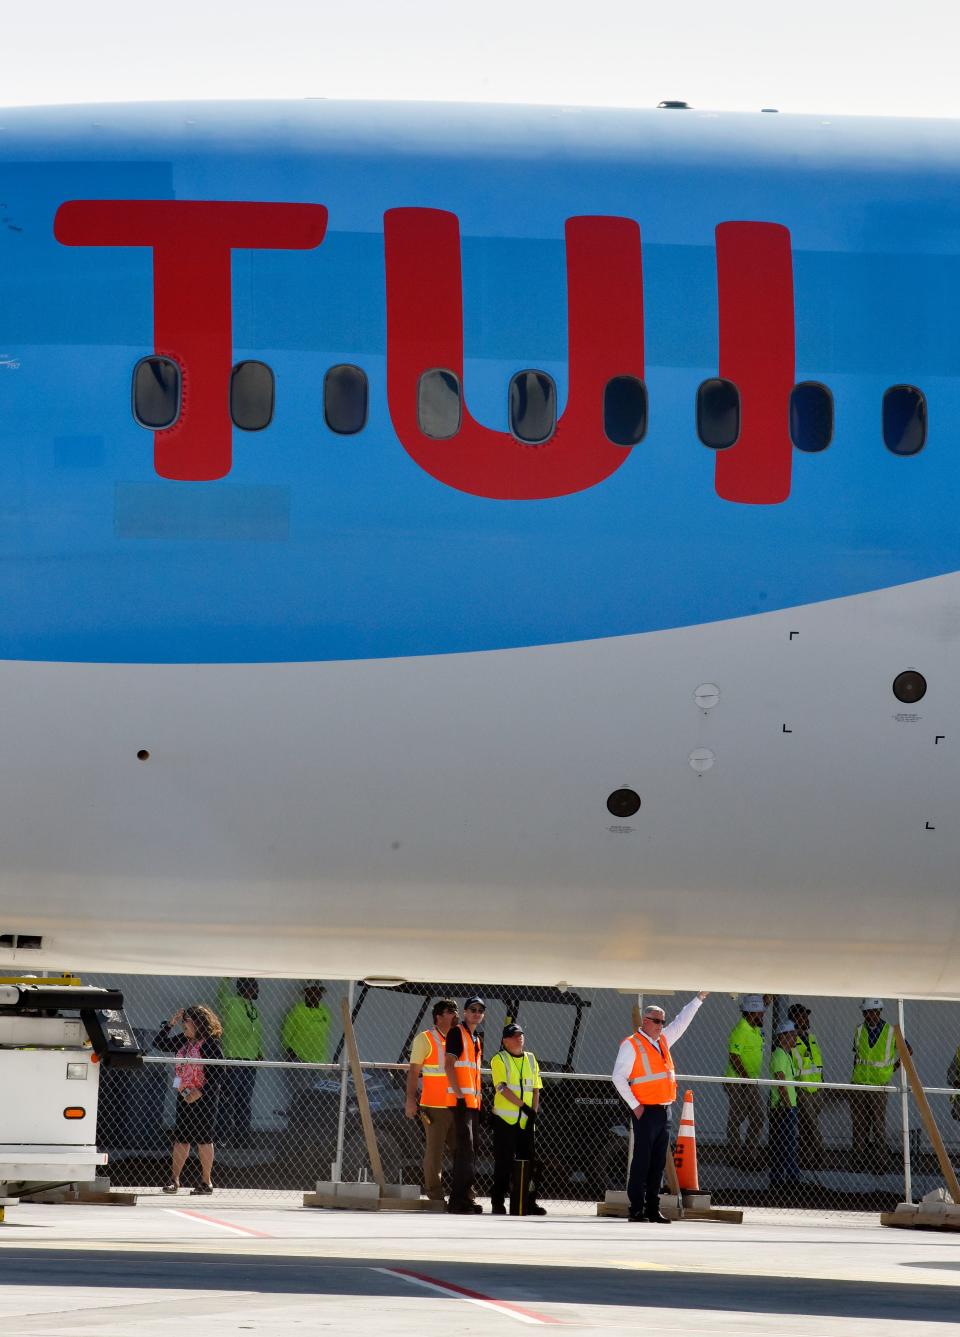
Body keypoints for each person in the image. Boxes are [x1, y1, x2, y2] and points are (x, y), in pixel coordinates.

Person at [612, 993, 709, 1223]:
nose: (660, 1026)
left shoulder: (662, 1041)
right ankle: (636, 1208)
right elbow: (618, 1077)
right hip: (645, 1111)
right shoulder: (632, 1044)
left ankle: (652, 1208)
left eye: (662, 1022)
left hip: (664, 1110)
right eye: (656, 1021)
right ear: (645, 1021)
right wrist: (635, 1107)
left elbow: (681, 1022)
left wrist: (698, 999)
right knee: (642, 1161)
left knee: (657, 1164)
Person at [154, 1005, 224, 1195]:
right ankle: (174, 1180)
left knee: (203, 1139)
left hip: (204, 1097)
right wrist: (171, 1023)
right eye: (183, 1021)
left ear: (198, 1023)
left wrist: (200, 1091)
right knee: (181, 1138)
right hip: (184, 1094)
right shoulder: (184, 1041)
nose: (184, 1025)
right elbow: (159, 1043)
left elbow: (219, 1074)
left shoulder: (210, 1044)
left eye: (187, 1021)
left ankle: (206, 1182)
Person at [404, 998, 459, 1203]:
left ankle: (462, 1194)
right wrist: (410, 1100)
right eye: (450, 1011)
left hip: (457, 1105)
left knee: (461, 1152)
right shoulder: (425, 1039)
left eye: (456, 1010)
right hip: (435, 1106)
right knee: (434, 1154)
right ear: (439, 1016)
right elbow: (413, 1072)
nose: (456, 1014)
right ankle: (435, 1195)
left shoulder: (460, 1037)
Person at [489, 1023, 545, 1216]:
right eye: (513, 1036)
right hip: (506, 1120)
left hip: (526, 1121)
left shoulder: (531, 1059)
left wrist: (533, 1113)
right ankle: (498, 1202)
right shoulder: (499, 1059)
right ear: (505, 1041)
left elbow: (536, 1087)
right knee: (503, 1163)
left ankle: (529, 1202)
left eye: (521, 1034)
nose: (518, 1038)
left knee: (529, 1163)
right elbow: (502, 1088)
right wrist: (523, 1107)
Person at [443, 995, 485, 1214]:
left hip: (472, 1104)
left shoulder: (475, 1038)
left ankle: (465, 1198)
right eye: (473, 1009)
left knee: (471, 1152)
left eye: (480, 1010)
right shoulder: (456, 1033)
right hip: (460, 1103)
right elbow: (448, 1066)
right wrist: (459, 1097)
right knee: (465, 1152)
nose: (476, 1013)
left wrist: (478, 1103)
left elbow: (473, 1073)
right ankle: (457, 1202)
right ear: (465, 1013)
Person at [850, 998, 898, 1170]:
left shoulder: (891, 1031)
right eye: (867, 1012)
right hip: (859, 1084)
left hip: (879, 1085)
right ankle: (858, 1160)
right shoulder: (859, 1030)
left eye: (873, 1012)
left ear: (879, 1012)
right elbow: (857, 1056)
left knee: (878, 1124)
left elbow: (908, 1051)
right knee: (859, 1124)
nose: (870, 1015)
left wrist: (891, 1069)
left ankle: (881, 1161)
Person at [217, 978, 264, 1142]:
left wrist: (259, 1051)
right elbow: (221, 995)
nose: (257, 988)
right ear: (244, 987)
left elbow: (256, 1033)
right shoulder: (230, 1003)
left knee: (244, 1100)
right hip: (232, 1058)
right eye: (254, 985)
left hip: (249, 1061)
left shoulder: (253, 1008)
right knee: (227, 1099)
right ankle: (221, 1136)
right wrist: (227, 977)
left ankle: (242, 1137)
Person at [724, 995, 767, 1163]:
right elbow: (734, 1057)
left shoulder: (754, 1027)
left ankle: (749, 1155)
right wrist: (746, 1079)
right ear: (750, 1013)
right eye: (760, 1014)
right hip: (737, 1081)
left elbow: (765, 1004)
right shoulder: (740, 1030)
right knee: (737, 1118)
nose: (763, 1016)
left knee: (758, 1117)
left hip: (750, 1081)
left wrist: (768, 997)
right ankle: (736, 1156)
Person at [788, 1002, 825, 1168]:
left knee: (806, 1125)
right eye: (802, 1016)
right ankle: (820, 1153)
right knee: (811, 1124)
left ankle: (805, 1158)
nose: (806, 1019)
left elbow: (817, 1063)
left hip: (816, 1088)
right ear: (795, 1019)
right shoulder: (791, 1040)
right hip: (801, 1088)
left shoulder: (812, 1038)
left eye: (806, 1016)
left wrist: (822, 1083)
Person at [768, 1020, 802, 1187]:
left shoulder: (785, 1055)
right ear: (784, 1037)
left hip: (786, 1107)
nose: (795, 1037)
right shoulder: (780, 1055)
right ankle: (791, 1181)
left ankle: (780, 1180)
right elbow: (781, 1082)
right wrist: (788, 1106)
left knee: (783, 1145)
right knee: (787, 1146)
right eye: (792, 1034)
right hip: (783, 1108)